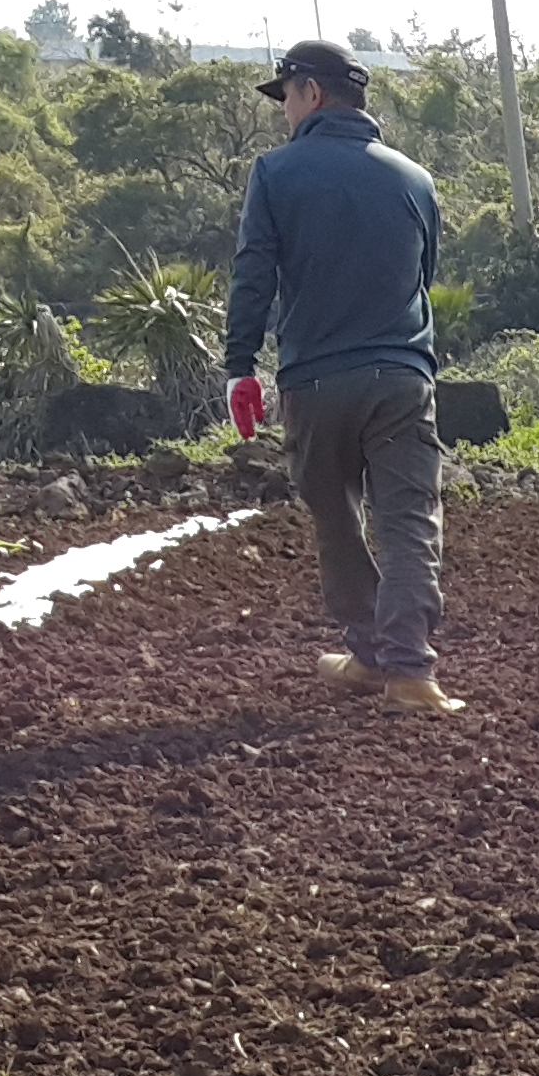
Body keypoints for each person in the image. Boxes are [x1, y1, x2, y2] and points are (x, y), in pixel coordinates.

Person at [222, 40, 451, 713]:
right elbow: (423, 278)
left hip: (316, 381)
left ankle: (370, 655)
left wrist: (240, 367)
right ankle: (411, 672)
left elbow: (254, 275)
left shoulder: (275, 172)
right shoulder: (415, 180)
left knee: (338, 522)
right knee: (409, 521)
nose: (285, 110)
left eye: (286, 97)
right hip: (402, 377)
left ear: (312, 93)